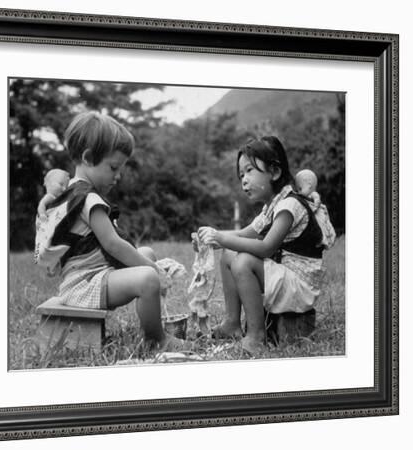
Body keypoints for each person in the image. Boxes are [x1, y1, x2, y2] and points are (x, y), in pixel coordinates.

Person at [35, 111, 189, 351]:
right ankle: (156, 340)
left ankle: (148, 327)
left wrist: (149, 262)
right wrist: (156, 271)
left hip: (92, 277)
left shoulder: (73, 192)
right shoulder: (88, 199)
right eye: (113, 167)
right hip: (84, 286)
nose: (118, 176)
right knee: (148, 278)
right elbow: (113, 244)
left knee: (145, 253)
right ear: (87, 158)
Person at [197, 136, 334, 353]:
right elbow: (243, 234)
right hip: (283, 276)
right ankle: (232, 323)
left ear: (275, 172)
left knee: (243, 262)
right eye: (241, 174)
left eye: (250, 170)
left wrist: (221, 237)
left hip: (300, 285)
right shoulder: (272, 206)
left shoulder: (289, 206)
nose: (243, 179)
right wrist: (212, 239)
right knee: (229, 252)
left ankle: (256, 336)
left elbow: (266, 248)